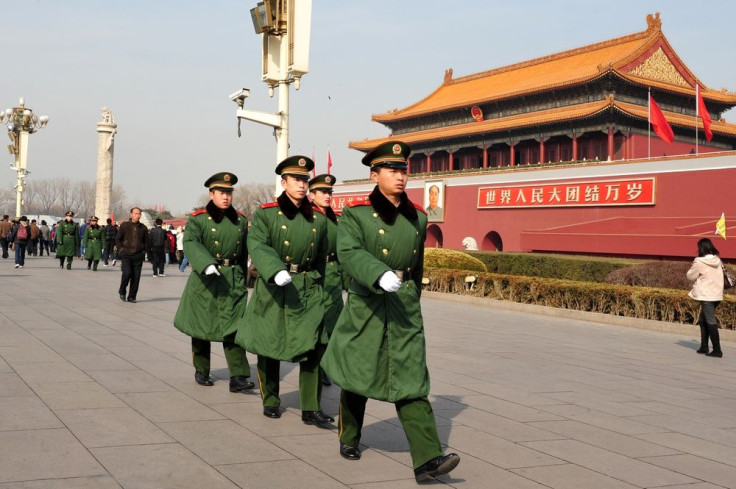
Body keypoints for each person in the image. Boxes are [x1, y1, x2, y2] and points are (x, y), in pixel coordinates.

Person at [321, 141, 460, 483]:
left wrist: (411, 295)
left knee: (411, 379)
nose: (400, 176)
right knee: (358, 374)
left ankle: (427, 459)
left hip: (403, 305)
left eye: (403, 170)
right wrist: (376, 273)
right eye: (392, 170)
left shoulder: (418, 217)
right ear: (375, 174)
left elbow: (417, 265)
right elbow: (349, 251)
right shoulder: (356, 214)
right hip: (367, 302)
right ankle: (349, 435)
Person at [235, 155, 333, 426]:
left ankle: (311, 407)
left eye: (305, 180)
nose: (302, 185)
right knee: (269, 345)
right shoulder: (267, 214)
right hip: (274, 286)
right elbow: (257, 244)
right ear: (284, 182)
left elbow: (322, 257)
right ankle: (271, 400)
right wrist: (275, 269)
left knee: (313, 347)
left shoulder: (319, 219)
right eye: (297, 179)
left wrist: (319, 288)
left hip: (307, 288)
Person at [174, 172, 254, 392]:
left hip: (232, 280)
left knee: (234, 328)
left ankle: (238, 376)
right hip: (205, 278)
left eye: (229, 192)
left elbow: (247, 249)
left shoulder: (240, 220)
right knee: (202, 328)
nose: (226, 196)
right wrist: (206, 263)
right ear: (211, 194)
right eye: (221, 192)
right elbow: (191, 243)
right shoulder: (199, 219)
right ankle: (202, 370)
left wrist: (251, 271)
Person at [309, 173, 346, 386]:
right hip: (313, 273)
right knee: (316, 323)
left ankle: (326, 366)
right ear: (311, 194)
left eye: (330, 192)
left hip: (332, 274)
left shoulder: (336, 220)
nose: (327, 195)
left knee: (333, 322)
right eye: (323, 191)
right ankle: (315, 365)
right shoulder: (306, 217)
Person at [687, 237, 724, 358]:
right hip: (717, 295)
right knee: (703, 319)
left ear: (701, 248)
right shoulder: (717, 260)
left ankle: (717, 350)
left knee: (710, 321)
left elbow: (690, 276)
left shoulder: (699, 262)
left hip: (707, 295)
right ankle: (704, 346)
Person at [115, 207, 148, 303]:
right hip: (126, 254)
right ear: (131, 214)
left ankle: (132, 296)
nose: (138, 216)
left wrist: (144, 252)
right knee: (127, 273)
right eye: (136, 213)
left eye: (139, 214)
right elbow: (118, 239)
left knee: (136, 277)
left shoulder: (143, 228)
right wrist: (120, 249)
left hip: (138, 255)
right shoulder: (124, 226)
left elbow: (146, 242)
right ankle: (122, 290)